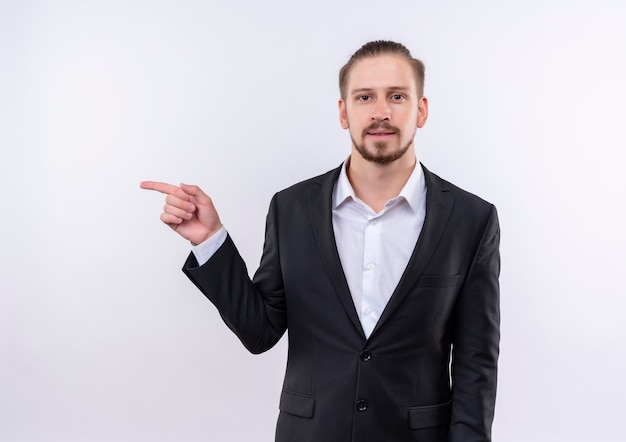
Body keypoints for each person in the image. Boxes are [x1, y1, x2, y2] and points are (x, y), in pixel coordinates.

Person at [141, 40, 500, 442]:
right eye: (365, 97)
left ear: (421, 110)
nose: (380, 111)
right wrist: (209, 240)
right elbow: (261, 331)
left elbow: (475, 363)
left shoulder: (471, 218)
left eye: (397, 96)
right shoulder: (291, 208)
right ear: (344, 112)